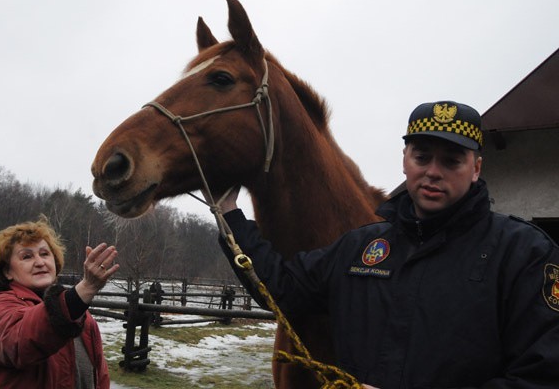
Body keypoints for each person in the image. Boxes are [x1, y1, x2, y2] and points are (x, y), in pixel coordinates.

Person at [213, 101, 559, 388]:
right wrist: (229, 213)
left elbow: (542, 377)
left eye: (451, 161)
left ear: (475, 168)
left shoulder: (523, 254)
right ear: (405, 160)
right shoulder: (359, 247)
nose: (433, 172)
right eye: (422, 157)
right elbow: (283, 287)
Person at [0, 217, 119, 388]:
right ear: (7, 271)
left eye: (45, 254)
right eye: (27, 257)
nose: (39, 262)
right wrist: (86, 288)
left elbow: (99, 375)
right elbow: (19, 340)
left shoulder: (81, 315)